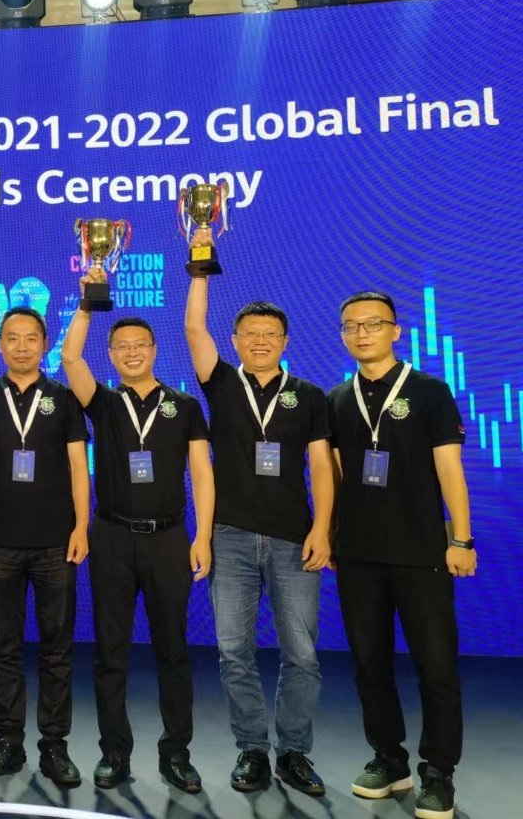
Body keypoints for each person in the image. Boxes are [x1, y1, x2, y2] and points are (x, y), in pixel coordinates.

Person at [184, 229, 333, 796]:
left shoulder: (309, 396)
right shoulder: (221, 383)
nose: (261, 341)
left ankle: (294, 752)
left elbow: (322, 469)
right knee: (233, 652)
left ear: (285, 340)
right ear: (236, 341)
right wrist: (200, 265)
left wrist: (323, 529)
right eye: (250, 334)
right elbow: (193, 329)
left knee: (302, 654)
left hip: (295, 538)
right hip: (230, 537)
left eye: (270, 334)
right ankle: (252, 749)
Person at [61, 267, 214, 794]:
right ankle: (114, 753)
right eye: (122, 347)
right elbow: (70, 359)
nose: (132, 353)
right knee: (111, 652)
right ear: (111, 355)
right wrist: (87, 304)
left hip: (169, 539)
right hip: (112, 538)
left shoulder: (184, 406)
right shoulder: (103, 403)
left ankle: (177, 754)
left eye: (140, 345)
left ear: (154, 350)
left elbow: (203, 474)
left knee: (173, 650)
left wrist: (202, 536)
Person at [328, 292, 475, 819]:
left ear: (395, 331)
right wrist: (333, 536)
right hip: (358, 555)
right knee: (370, 666)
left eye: (373, 324)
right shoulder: (338, 398)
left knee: (436, 667)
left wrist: (461, 540)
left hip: (422, 553)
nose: (362, 333)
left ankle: (438, 773)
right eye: (351, 326)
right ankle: (389, 759)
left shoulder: (430, 391)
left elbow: (450, 469)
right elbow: (338, 474)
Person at [0, 306, 90, 786]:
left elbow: (79, 467)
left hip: (56, 543)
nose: (22, 346)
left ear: (44, 344)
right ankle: (8, 741)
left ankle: (55, 746)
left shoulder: (64, 398)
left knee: (57, 648)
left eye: (31, 338)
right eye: (12, 338)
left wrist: (81, 526)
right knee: (5, 648)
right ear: (0, 345)